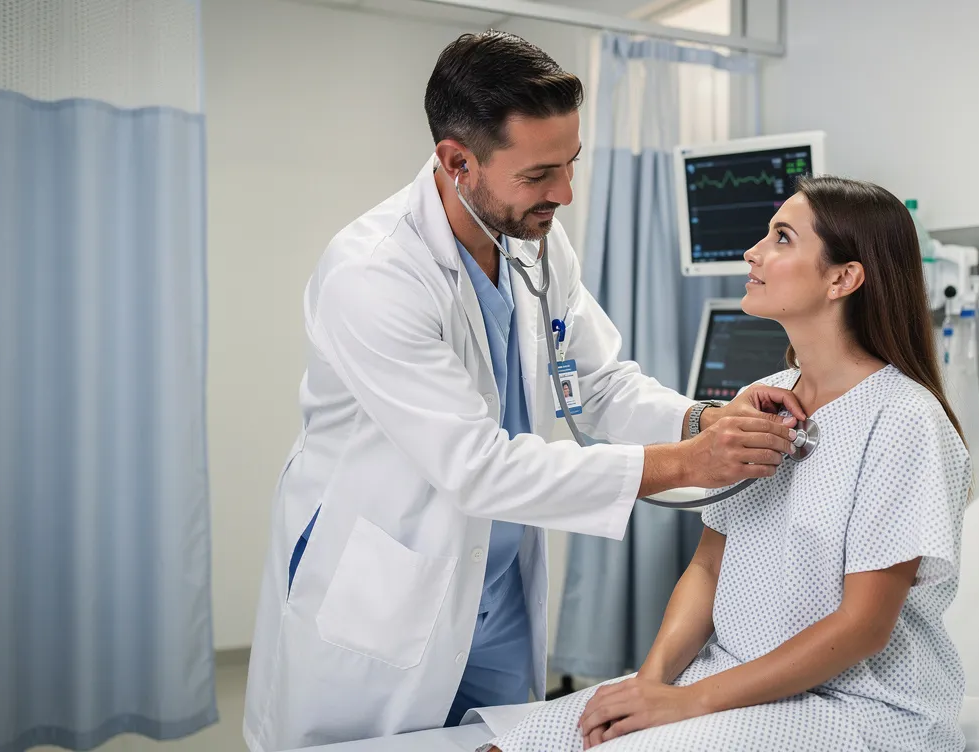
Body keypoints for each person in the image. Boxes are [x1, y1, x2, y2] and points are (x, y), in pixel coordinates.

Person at [242, 31, 808, 752]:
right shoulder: (373, 275)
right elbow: (477, 466)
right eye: (541, 174)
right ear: (457, 162)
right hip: (387, 588)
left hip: (499, 587)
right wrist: (692, 463)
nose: (564, 195)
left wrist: (701, 418)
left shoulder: (535, 241)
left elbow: (599, 383)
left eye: (571, 165)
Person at [483, 176, 972, 752]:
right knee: (521, 744)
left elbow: (864, 625)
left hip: (861, 704)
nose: (753, 252)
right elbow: (708, 572)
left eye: (782, 238)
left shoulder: (903, 419)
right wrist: (650, 685)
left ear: (844, 277)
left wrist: (685, 704)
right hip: (731, 676)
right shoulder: (764, 399)